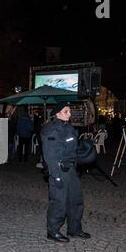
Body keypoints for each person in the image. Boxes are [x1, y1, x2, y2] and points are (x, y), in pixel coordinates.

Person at [40, 102, 90, 243]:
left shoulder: (68, 127)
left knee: (76, 200)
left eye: (69, 111)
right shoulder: (50, 129)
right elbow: (49, 156)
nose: (70, 114)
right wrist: (55, 176)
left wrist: (84, 149)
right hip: (59, 170)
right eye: (66, 111)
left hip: (71, 170)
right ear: (57, 113)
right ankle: (53, 231)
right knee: (58, 202)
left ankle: (74, 229)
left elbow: (71, 148)